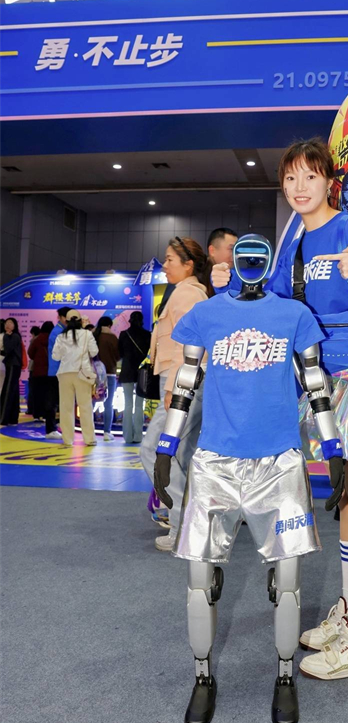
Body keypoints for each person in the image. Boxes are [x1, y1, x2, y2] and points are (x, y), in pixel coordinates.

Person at [212, 138, 348, 681]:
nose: (299, 187)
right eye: (290, 178)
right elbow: (272, 305)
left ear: (331, 181)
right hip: (323, 387)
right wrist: (230, 288)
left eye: (310, 176)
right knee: (347, 502)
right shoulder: (294, 243)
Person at [153, 233, 342, 723]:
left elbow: (315, 382)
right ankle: (202, 676)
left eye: (260, 258)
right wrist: (167, 446)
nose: (253, 264)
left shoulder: (294, 315)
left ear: (269, 263)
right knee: (199, 581)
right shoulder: (208, 314)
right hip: (215, 462)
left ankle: (285, 675)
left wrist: (333, 447)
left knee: (288, 581)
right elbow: (186, 381)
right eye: (246, 257)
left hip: (279, 463)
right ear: (234, 263)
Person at [140, 237, 208, 552]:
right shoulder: (186, 292)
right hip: (186, 381)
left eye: (170, 259)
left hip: (183, 382)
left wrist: (173, 389)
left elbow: (189, 345)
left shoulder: (188, 294)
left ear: (188, 264)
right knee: (182, 455)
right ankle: (193, 523)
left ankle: (182, 527)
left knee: (156, 451)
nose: (164, 265)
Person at [52, 310, 98, 447]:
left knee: (66, 407)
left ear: (66, 321)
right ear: (80, 321)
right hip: (82, 373)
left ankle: (67, 439)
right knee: (85, 407)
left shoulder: (61, 336)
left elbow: (55, 356)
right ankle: (89, 439)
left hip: (65, 373)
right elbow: (94, 352)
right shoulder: (87, 334)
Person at [118, 311, 151, 444]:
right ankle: (138, 436)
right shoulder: (147, 335)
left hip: (127, 371)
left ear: (130, 320)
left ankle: (128, 436)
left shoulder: (123, 334)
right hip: (142, 372)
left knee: (127, 404)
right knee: (139, 405)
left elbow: (120, 353)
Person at [94, 317, 120, 441]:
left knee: (91, 402)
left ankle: (89, 431)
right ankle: (106, 432)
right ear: (110, 325)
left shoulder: (94, 336)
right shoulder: (113, 338)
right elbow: (118, 356)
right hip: (110, 374)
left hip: (94, 375)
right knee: (108, 403)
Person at [47, 306, 70, 439]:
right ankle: (50, 430)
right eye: (66, 316)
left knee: (61, 400)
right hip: (56, 371)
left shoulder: (64, 330)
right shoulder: (57, 332)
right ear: (60, 317)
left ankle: (58, 425)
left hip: (62, 371)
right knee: (53, 401)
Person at [28, 321, 54, 425]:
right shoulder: (54, 339)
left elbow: (30, 353)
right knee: (48, 395)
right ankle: (47, 415)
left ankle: (37, 415)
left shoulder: (37, 339)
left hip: (38, 372)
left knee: (37, 394)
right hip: (50, 372)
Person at [0, 318, 24, 425]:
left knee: (8, 391)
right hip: (13, 365)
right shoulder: (14, 336)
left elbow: (8, 349)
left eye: (10, 323)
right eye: (6, 323)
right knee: (13, 391)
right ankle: (12, 418)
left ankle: (4, 418)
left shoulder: (14, 336)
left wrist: (6, 336)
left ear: (15, 326)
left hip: (13, 365)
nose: (8, 325)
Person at [26, 326, 41, 416]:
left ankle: (31, 409)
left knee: (32, 389)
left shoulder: (34, 340)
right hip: (42, 369)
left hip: (33, 367)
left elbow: (30, 353)